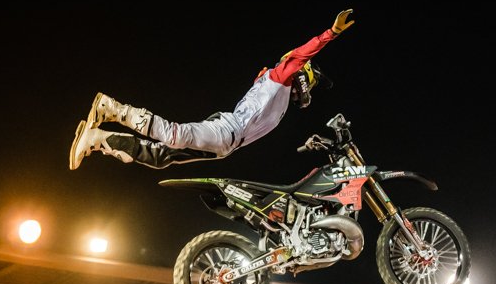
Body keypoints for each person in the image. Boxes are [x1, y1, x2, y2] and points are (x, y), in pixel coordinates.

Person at [70, 9, 355, 170]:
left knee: (161, 157)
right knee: (174, 134)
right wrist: (332, 33)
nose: (309, 90)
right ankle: (114, 109)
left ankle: (97, 138)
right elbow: (298, 56)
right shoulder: (279, 78)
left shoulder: (277, 89)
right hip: (228, 131)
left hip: (227, 144)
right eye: (312, 81)